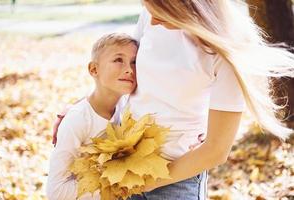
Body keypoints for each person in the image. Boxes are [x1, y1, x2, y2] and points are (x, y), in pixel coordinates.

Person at [53, 0, 294, 199]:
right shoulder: (151, 13)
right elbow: (122, 74)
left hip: (177, 179)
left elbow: (216, 150)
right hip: (124, 162)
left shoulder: (225, 51)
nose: (153, 20)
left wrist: (148, 183)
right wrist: (82, 107)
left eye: (161, 13)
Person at [46, 33, 138, 200]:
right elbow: (56, 191)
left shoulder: (127, 108)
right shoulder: (78, 120)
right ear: (94, 69)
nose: (129, 69)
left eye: (134, 62)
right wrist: (115, 187)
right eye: (118, 60)